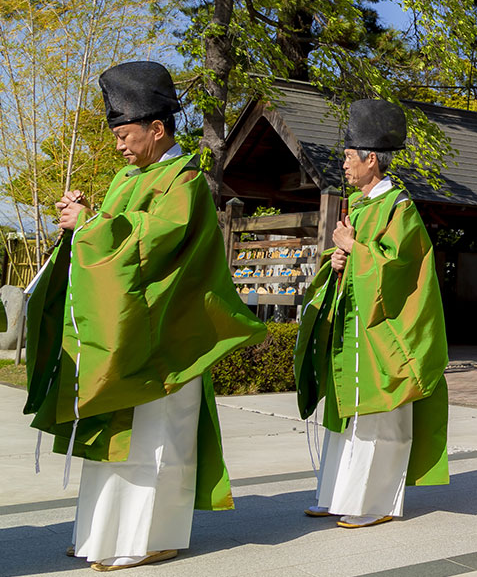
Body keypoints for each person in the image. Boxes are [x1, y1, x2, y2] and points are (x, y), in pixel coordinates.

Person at [25, 61, 266, 570]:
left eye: (124, 134)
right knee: (117, 432)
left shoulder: (185, 182)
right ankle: (102, 533)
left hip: (166, 338)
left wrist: (93, 225)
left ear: (157, 129)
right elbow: (115, 236)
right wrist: (85, 220)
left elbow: (152, 246)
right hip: (130, 329)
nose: (118, 146)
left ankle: (149, 536)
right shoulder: (127, 177)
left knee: (156, 441)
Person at [294, 99, 449, 528]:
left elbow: (399, 270)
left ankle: (373, 502)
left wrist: (350, 249)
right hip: (354, 325)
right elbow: (356, 258)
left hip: (382, 333)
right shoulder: (363, 204)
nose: (344, 165)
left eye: (349, 157)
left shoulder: (399, 207)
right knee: (345, 411)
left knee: (378, 412)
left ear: (372, 160)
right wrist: (338, 260)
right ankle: (336, 493)